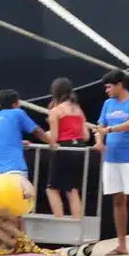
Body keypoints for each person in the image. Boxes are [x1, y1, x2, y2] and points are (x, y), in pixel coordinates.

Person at [93, 71, 129, 255]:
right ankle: (122, 244)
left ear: (120, 85)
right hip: (111, 159)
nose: (107, 91)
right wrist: (99, 142)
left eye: (109, 87)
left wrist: (111, 129)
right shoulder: (107, 104)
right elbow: (99, 126)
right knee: (117, 200)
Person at [44, 77, 91, 221]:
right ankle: (78, 224)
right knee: (73, 189)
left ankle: (60, 222)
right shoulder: (78, 110)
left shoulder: (56, 111)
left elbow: (55, 137)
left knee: (52, 189)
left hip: (63, 149)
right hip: (79, 149)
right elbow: (86, 135)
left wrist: (46, 135)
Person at [0, 89, 48, 179]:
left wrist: (18, 143)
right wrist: (51, 141)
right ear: (15, 104)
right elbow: (37, 131)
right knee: (28, 193)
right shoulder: (18, 113)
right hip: (16, 170)